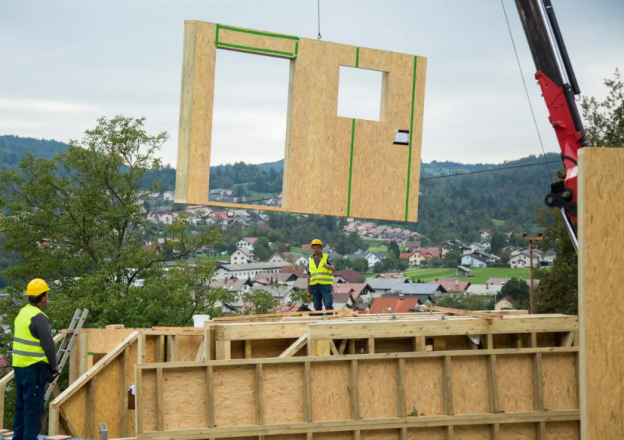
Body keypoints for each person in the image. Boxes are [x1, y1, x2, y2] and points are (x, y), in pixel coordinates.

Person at [12, 278, 58, 440]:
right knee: (33, 408)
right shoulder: (38, 317)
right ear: (43, 297)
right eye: (46, 294)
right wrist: (54, 366)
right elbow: (49, 345)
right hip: (34, 368)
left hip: (19, 366)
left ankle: (18, 438)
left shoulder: (22, 313)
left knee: (21, 406)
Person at [306, 239, 335, 312]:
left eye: (318, 248)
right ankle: (319, 321)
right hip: (314, 286)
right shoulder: (309, 260)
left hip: (325, 286)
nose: (316, 249)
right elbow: (308, 275)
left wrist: (328, 266)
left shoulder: (326, 257)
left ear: (321, 248)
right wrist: (308, 290)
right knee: (317, 306)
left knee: (328, 304)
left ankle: (330, 321)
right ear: (312, 249)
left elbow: (333, 268)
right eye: (314, 248)